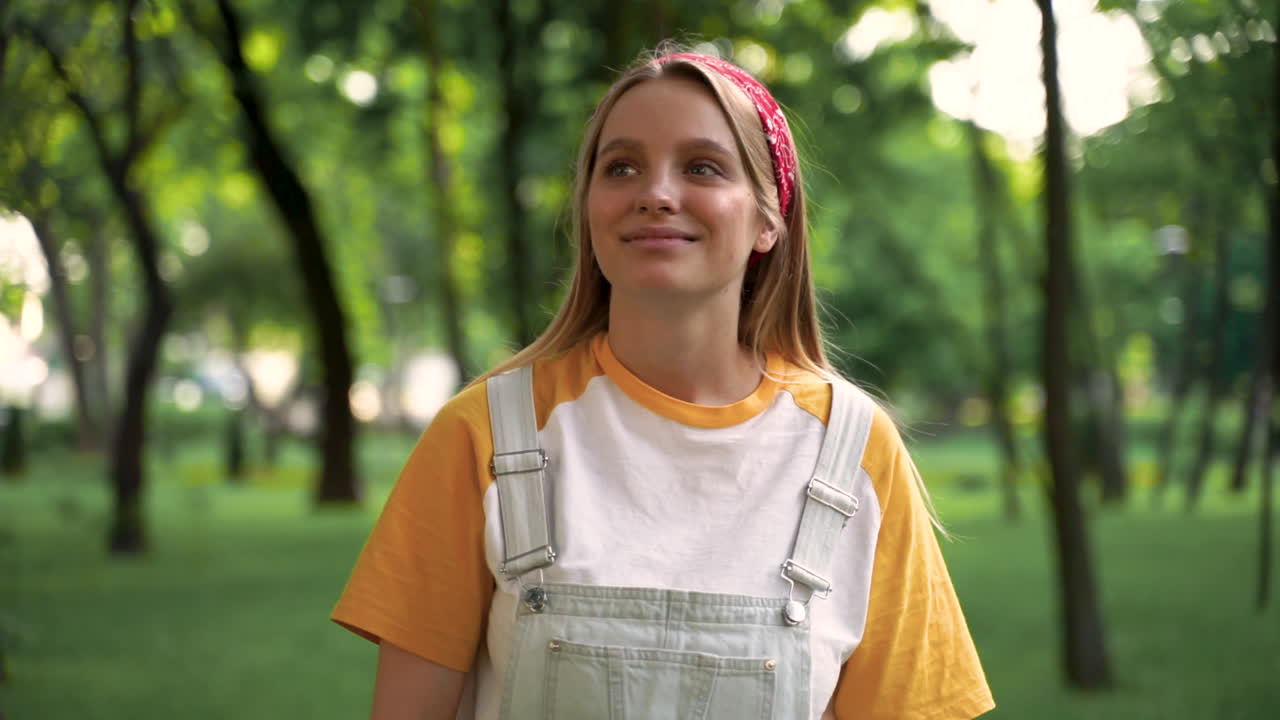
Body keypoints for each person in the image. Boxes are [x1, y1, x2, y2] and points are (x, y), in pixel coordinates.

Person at [332, 46, 994, 720]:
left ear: (770, 219)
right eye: (621, 167)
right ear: (590, 208)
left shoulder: (852, 453)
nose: (655, 193)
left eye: (702, 167)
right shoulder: (485, 434)